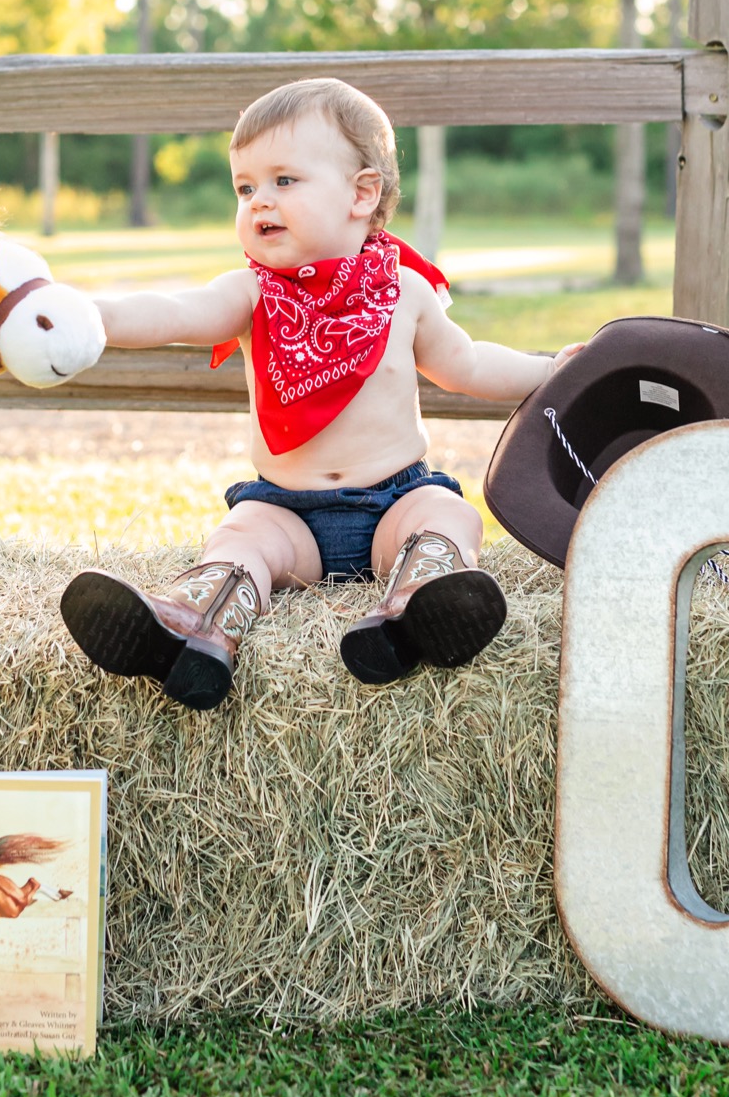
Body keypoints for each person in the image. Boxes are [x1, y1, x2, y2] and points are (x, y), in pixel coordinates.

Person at [62, 77, 582, 710]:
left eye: (284, 181)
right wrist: (88, 318)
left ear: (362, 194)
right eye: (245, 187)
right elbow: (174, 310)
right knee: (241, 539)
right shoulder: (252, 292)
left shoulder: (405, 294)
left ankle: (418, 609)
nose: (259, 203)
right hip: (288, 512)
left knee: (450, 517)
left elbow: (468, 365)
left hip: (396, 501)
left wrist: (552, 369)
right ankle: (188, 628)